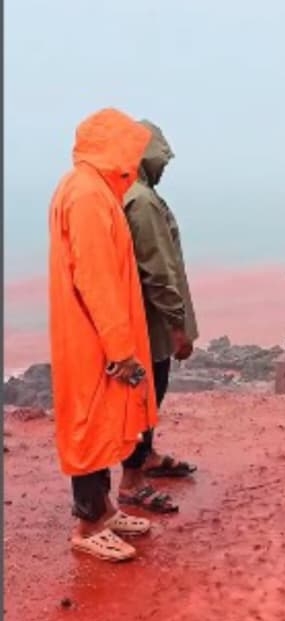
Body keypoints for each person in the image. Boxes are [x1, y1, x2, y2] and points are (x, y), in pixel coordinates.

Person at [47, 108, 160, 561]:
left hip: (91, 335)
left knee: (101, 424)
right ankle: (87, 524)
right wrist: (121, 350)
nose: (137, 158)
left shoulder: (87, 188)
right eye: (132, 148)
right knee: (91, 428)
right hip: (94, 339)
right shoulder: (89, 196)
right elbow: (96, 279)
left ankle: (105, 510)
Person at [122, 120, 200, 488]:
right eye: (161, 160)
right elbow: (157, 268)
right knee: (146, 395)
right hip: (152, 323)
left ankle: (146, 457)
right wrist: (177, 324)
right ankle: (132, 481)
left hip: (144, 317)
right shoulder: (142, 200)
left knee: (149, 395)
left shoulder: (134, 193)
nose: (164, 167)